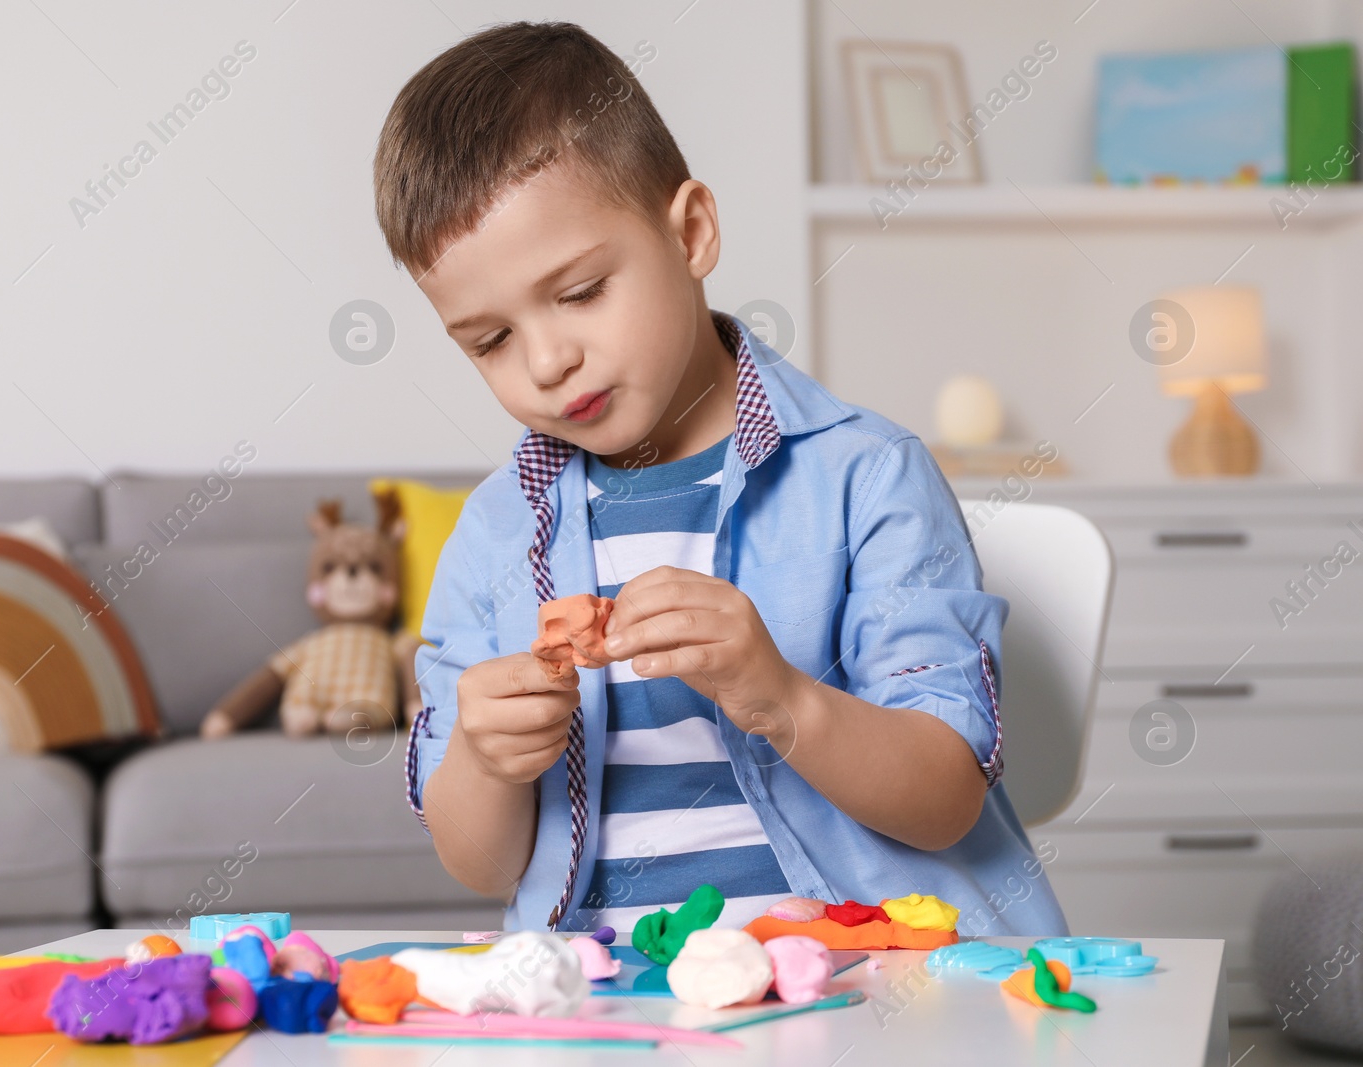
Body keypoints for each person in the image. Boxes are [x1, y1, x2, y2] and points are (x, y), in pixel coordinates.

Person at [373, 20, 1067, 937]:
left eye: (580, 292)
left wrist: (782, 696)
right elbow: (481, 864)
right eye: (490, 340)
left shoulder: (869, 477)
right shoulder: (499, 535)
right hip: (609, 1007)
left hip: (868, 987)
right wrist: (485, 756)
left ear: (691, 232)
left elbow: (945, 799)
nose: (546, 360)